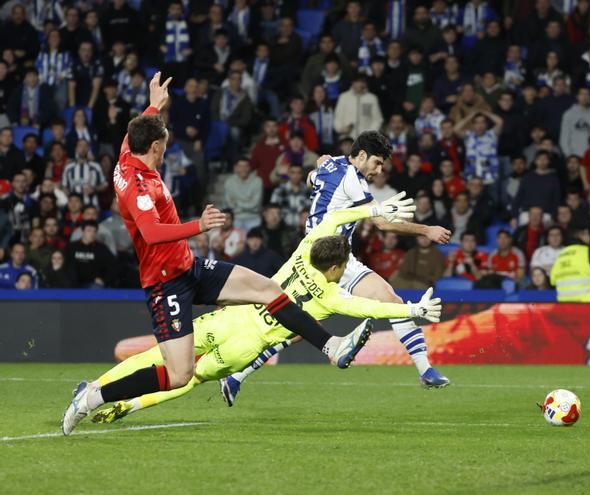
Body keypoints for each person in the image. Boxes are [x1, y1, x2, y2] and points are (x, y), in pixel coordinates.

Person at [61, 73, 379, 435]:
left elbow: (142, 128)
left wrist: (154, 103)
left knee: (268, 291)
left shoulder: (127, 153)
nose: (166, 149)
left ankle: (331, 346)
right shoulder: (138, 185)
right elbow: (150, 234)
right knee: (180, 374)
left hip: (189, 267)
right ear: (153, 147)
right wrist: (199, 226)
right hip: (166, 285)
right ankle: (90, 398)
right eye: (163, 144)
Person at [87, 201, 442, 423]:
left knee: (158, 356)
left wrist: (374, 209)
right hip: (245, 346)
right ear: (336, 267)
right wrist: (414, 309)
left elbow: (335, 217)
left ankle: (96, 388)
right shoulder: (331, 297)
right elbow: (372, 307)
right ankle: (131, 407)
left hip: (232, 316)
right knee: (187, 378)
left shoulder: (304, 251)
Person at [228, 131, 452, 395]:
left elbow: (313, 178)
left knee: (391, 301)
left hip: (340, 259)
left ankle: (425, 369)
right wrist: (426, 230)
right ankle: (236, 375)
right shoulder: (352, 179)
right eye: (376, 163)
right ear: (360, 155)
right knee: (293, 328)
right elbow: (381, 223)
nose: (379, 171)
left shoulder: (331, 164)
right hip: (317, 264)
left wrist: (319, 166)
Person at [64, 220, 116, 288]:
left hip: (93, 284)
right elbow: (65, 265)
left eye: (94, 231)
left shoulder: (101, 248)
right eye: (89, 231)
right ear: (82, 232)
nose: (92, 234)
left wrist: (105, 280)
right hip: (73, 283)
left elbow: (113, 265)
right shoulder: (71, 247)